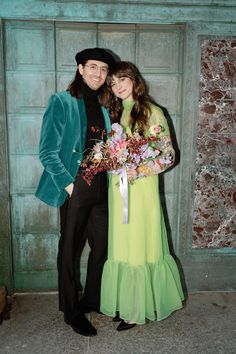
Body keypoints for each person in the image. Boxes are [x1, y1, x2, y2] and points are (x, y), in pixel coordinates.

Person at [35, 48, 115, 336]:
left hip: (102, 185)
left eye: (104, 69)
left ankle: (91, 299)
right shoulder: (61, 101)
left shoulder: (107, 104)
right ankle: (71, 310)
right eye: (92, 67)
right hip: (75, 185)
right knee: (69, 250)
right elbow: (46, 151)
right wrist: (70, 185)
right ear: (80, 69)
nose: (98, 74)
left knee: (103, 246)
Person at [100, 61, 185, 331]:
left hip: (141, 190)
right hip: (119, 191)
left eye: (121, 79)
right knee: (122, 245)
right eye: (112, 83)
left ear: (133, 79)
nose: (117, 86)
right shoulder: (115, 113)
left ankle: (136, 311)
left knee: (138, 245)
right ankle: (126, 303)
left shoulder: (151, 111)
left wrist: (139, 170)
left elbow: (168, 155)